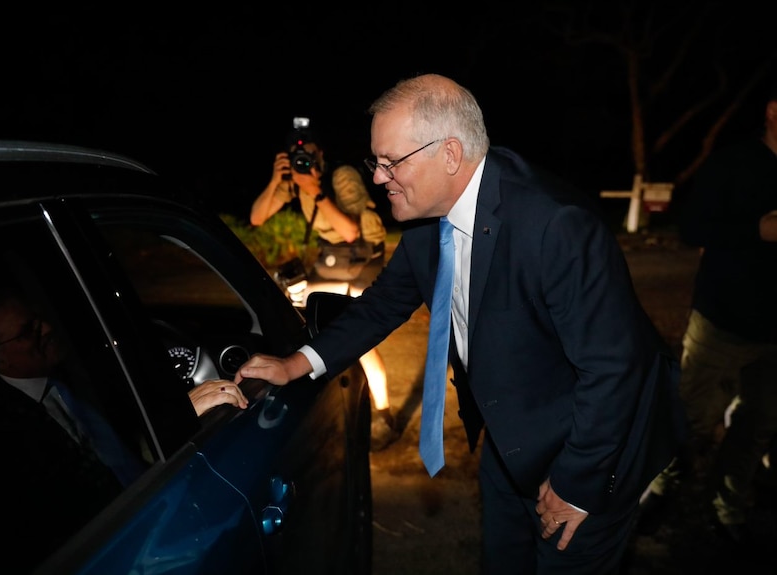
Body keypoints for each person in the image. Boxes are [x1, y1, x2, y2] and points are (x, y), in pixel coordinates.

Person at [236, 73, 683, 574]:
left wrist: (577, 487)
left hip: (592, 445)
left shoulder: (554, 227)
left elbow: (615, 372)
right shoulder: (430, 218)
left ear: (449, 154)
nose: (378, 178)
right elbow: (383, 304)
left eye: (390, 162)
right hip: (509, 435)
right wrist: (296, 364)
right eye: (375, 162)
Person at [637, 78, 777, 545]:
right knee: (690, 420)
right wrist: (756, 229)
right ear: (773, 111)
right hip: (723, 321)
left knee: (757, 427)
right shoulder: (732, 164)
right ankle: (658, 491)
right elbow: (692, 228)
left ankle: (728, 509)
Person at [0, 288, 248, 483]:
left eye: (39, 321)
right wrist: (179, 418)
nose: (46, 330)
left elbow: (128, 443)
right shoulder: (4, 432)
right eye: (28, 332)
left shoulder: (77, 373)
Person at [250, 121, 398, 450]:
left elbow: (350, 233)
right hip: (331, 258)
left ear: (321, 153)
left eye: (308, 152)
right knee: (310, 320)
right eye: (295, 153)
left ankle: (383, 413)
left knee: (358, 332)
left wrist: (315, 190)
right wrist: (278, 180)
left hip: (360, 257)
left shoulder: (340, 176)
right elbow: (258, 218)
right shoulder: (294, 182)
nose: (302, 158)